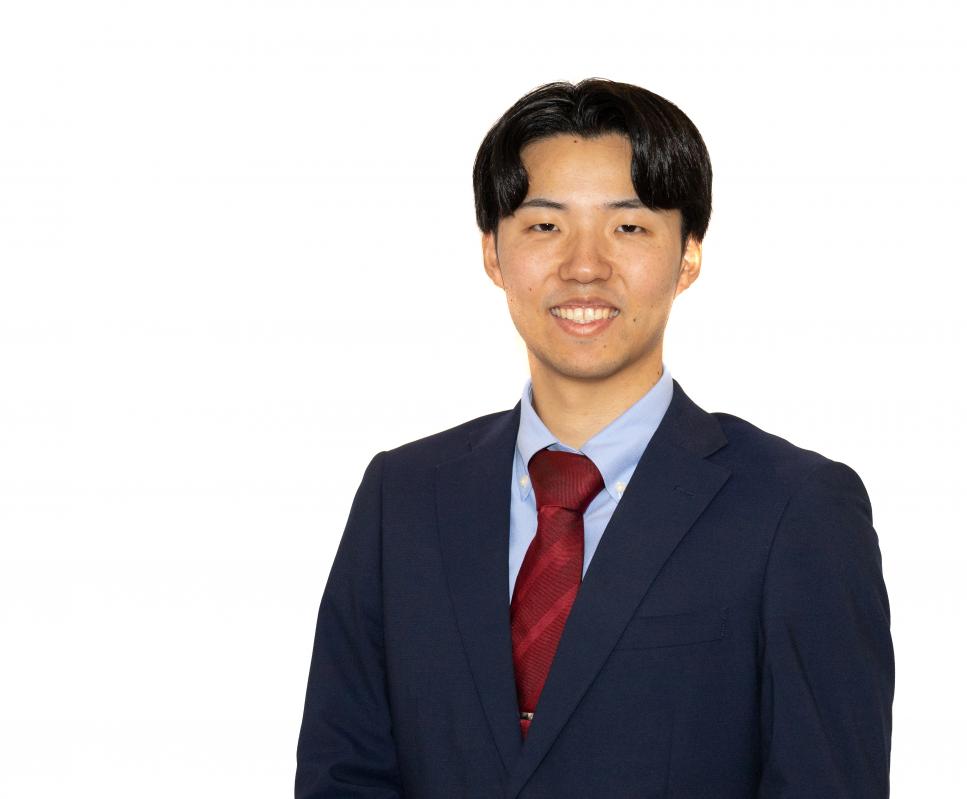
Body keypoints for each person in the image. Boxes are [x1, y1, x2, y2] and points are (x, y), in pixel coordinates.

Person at [295, 78, 894, 798]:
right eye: (545, 226)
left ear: (688, 255)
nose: (584, 266)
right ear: (493, 253)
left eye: (628, 227)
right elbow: (343, 774)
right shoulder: (403, 497)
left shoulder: (793, 509)